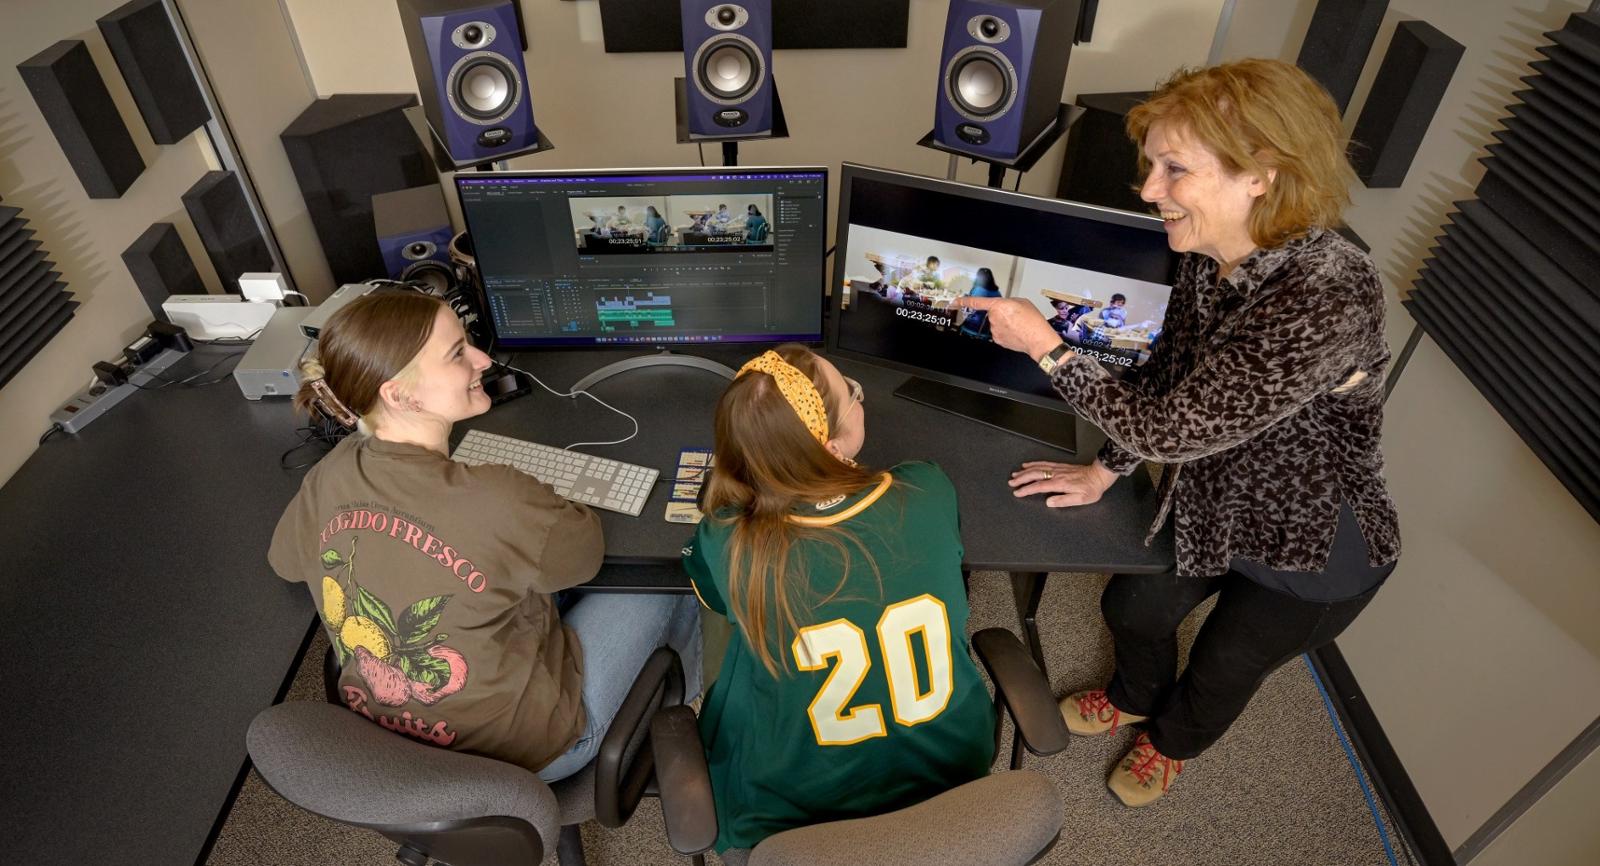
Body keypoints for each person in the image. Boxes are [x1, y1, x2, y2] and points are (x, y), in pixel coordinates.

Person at [959, 58, 1400, 807]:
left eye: (1174, 169)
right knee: (1132, 609)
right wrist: (1105, 469)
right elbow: (1165, 380)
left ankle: (1170, 743)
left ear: (1261, 173)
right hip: (1215, 502)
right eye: (1150, 165)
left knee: (1226, 666)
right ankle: (1133, 696)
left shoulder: (1327, 292)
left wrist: (1046, 344)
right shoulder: (1209, 257)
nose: (1148, 190)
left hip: (1321, 538)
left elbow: (1172, 428)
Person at [268, 292, 701, 782]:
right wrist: (529, 495)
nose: (483, 359)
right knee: (676, 577)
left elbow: (286, 561)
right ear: (400, 394)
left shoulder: (331, 472)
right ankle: (679, 704)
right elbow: (583, 556)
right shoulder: (496, 495)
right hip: (526, 753)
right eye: (457, 353)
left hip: (387, 734)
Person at [683, 345, 995, 853]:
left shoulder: (728, 538)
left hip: (790, 808)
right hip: (950, 771)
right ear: (830, 445)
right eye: (854, 393)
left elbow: (715, 602)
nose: (859, 399)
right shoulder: (926, 488)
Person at [957, 266, 1003, 339]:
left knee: (957, 323)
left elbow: (969, 308)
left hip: (974, 326)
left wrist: (965, 298)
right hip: (989, 329)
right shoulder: (998, 293)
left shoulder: (979, 289)